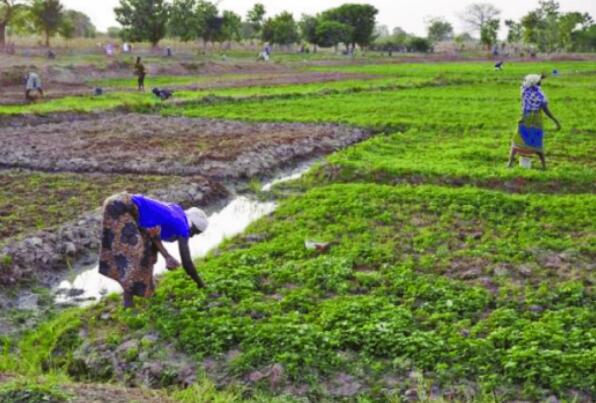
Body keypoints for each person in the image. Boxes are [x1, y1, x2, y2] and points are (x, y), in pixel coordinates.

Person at [99, 193, 209, 308]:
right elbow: (187, 262)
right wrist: (201, 284)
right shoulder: (182, 227)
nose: (191, 236)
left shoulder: (176, 212)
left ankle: (148, 292)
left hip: (119, 202)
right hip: (122, 207)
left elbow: (152, 233)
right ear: (193, 227)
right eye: (195, 233)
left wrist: (166, 256)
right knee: (132, 256)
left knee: (148, 254)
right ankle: (128, 304)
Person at [508, 74, 561, 170]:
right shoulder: (540, 95)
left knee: (517, 140)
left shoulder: (524, 90)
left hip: (524, 117)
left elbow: (526, 82)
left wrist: (539, 78)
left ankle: (510, 163)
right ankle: (544, 166)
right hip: (536, 120)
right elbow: (545, 109)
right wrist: (555, 120)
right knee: (537, 143)